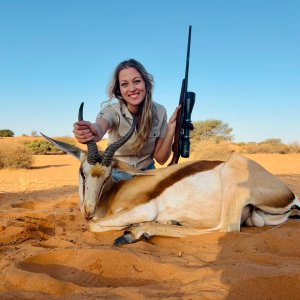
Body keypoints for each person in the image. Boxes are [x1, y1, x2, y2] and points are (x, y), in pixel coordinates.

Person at [73, 59, 179, 181]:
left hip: (148, 173)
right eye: (124, 84)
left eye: (137, 81)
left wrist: (171, 128)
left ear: (146, 83)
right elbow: (100, 126)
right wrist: (93, 131)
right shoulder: (111, 111)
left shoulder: (160, 111)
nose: (132, 88)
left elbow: (161, 159)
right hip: (118, 173)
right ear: (119, 90)